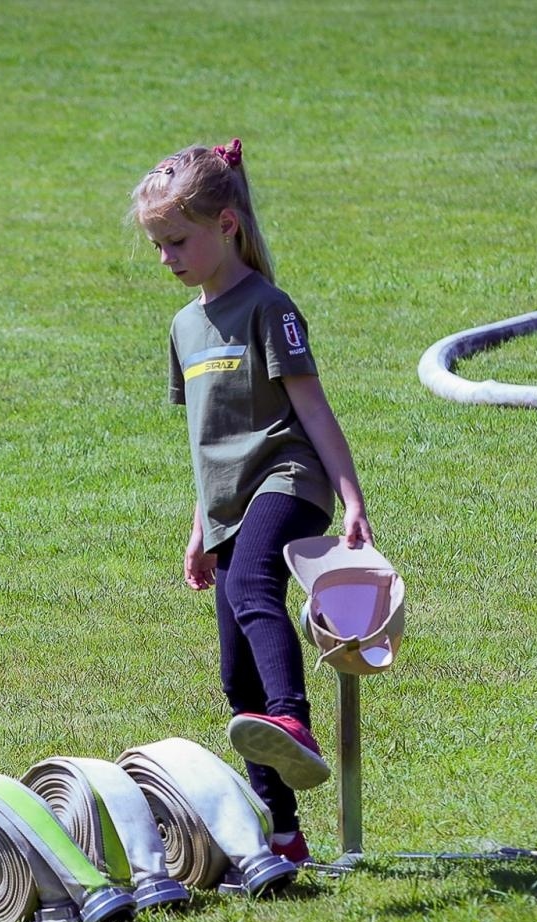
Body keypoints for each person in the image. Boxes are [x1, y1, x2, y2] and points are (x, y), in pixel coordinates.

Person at [130, 138, 373, 864]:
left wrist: (353, 495)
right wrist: (200, 529)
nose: (166, 258)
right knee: (237, 676)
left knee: (260, 581)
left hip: (289, 478)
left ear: (226, 224)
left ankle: (294, 723)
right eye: (157, 246)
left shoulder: (269, 307)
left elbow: (315, 409)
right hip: (227, 504)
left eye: (177, 241)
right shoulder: (183, 329)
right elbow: (211, 440)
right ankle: (283, 833)